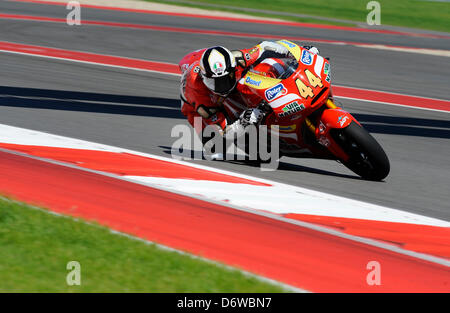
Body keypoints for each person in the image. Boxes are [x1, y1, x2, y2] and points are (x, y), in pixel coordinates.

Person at [178, 40, 319, 154]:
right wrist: (243, 122)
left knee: (256, 75)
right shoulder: (198, 95)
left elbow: (265, 47)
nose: (224, 85)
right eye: (217, 82)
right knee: (215, 147)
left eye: (227, 78)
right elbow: (222, 131)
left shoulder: (237, 58)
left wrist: (300, 52)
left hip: (210, 66)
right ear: (206, 78)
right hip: (194, 106)